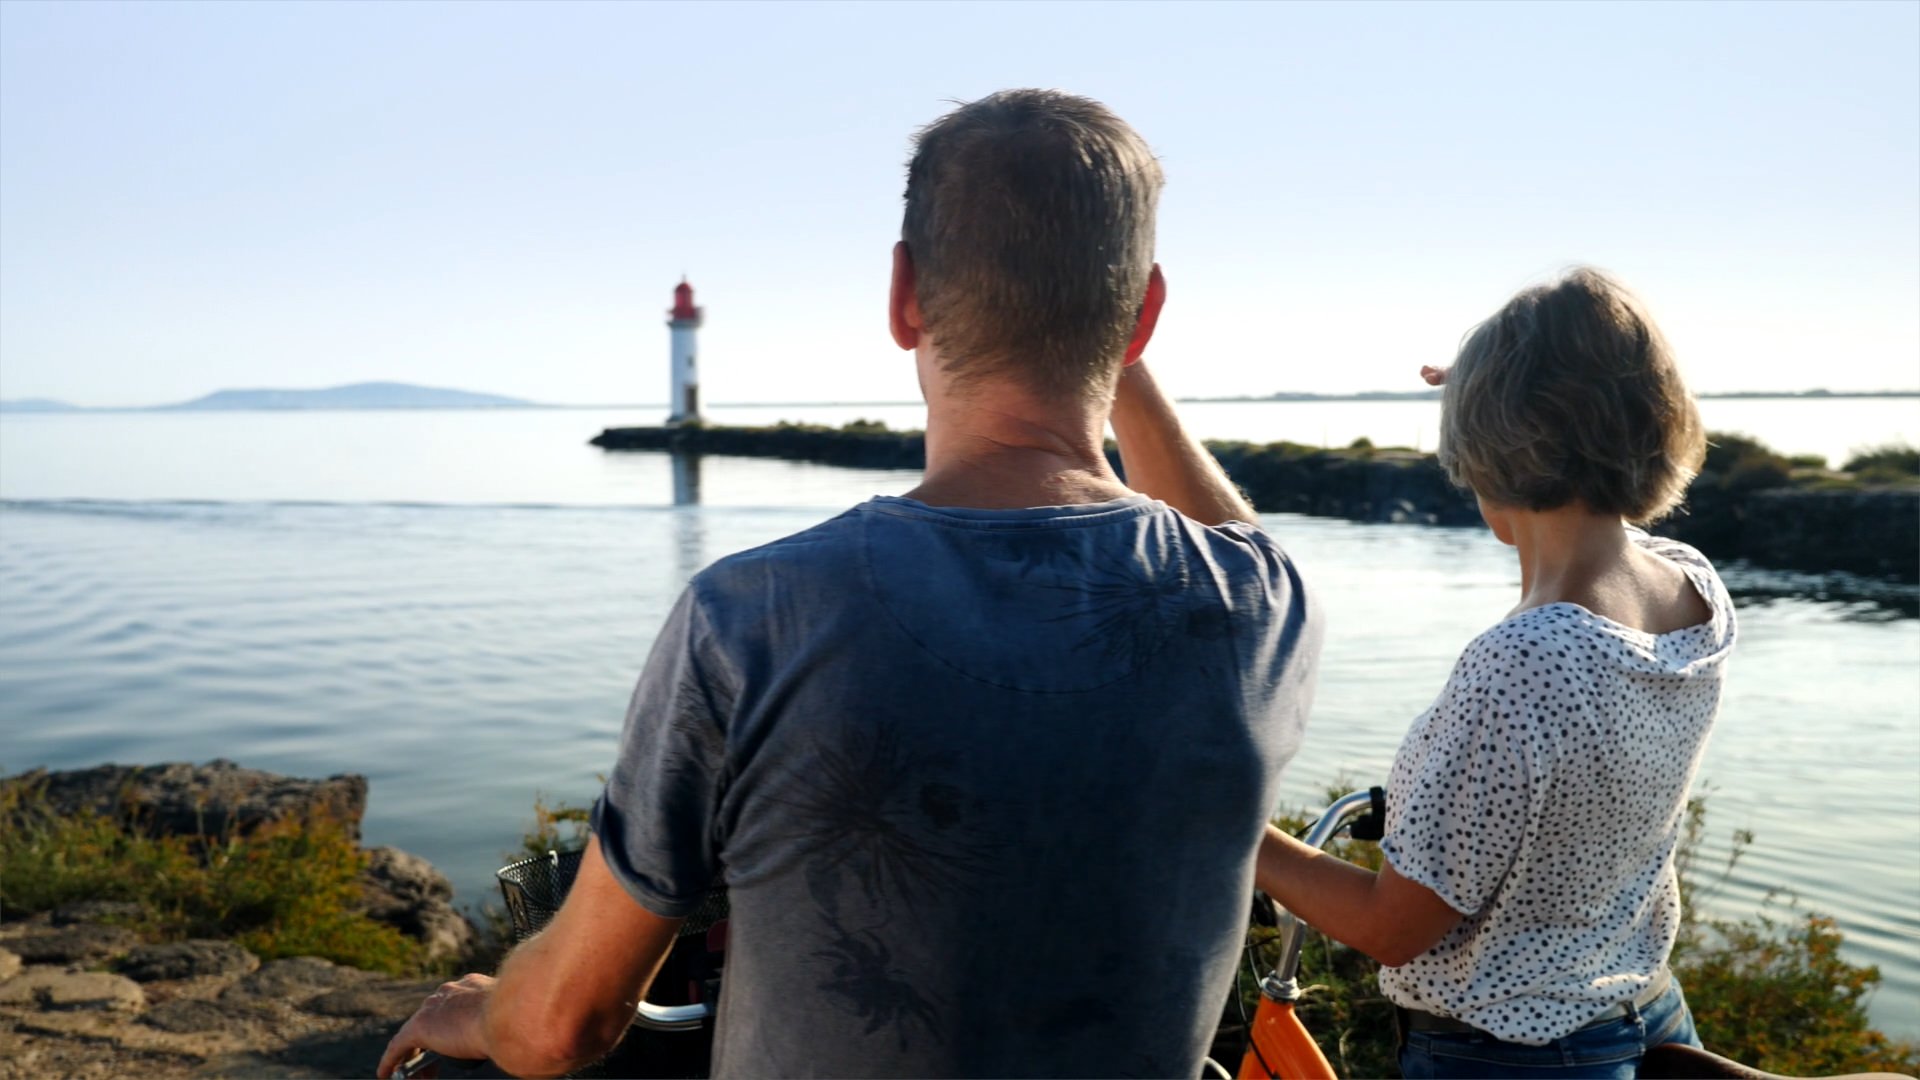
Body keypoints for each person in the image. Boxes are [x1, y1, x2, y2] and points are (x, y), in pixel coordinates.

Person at [379, 89, 1322, 1079]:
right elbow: (1231, 533)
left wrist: (484, 1013)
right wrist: (1102, 325)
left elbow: (560, 1031)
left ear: (903, 298)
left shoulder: (754, 619)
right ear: (1146, 318)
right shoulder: (1258, 605)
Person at [1253, 268, 1733, 1079]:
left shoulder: (1522, 662)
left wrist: (1232, 825)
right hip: (1642, 1009)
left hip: (1513, 1059)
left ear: (1489, 447)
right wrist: (1499, 391)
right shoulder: (1690, 587)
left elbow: (1392, 927)